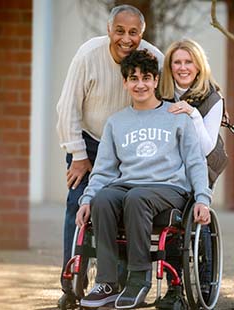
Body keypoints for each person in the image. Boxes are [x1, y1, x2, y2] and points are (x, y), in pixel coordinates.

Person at [75, 49, 212, 309]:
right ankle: (107, 282)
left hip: (168, 188)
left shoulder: (176, 116)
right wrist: (88, 199)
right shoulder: (116, 122)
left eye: (146, 78)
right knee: (104, 199)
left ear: (156, 80)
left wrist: (203, 199)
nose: (140, 84)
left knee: (136, 198)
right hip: (128, 186)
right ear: (125, 82)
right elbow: (103, 170)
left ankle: (138, 280)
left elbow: (195, 161)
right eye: (133, 79)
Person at [55, 5, 163, 308]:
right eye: (120, 31)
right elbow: (67, 109)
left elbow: (174, 100)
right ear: (109, 30)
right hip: (89, 141)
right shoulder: (88, 55)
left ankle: (119, 284)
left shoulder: (155, 58)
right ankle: (71, 284)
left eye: (133, 33)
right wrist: (78, 154)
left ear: (141, 35)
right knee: (78, 203)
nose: (126, 39)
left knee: (122, 209)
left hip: (130, 144)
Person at [156, 38, 225, 308]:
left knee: (195, 214)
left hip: (203, 162)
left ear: (198, 65)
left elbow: (207, 146)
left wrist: (192, 113)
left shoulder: (212, 97)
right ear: (170, 66)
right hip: (169, 164)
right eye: (177, 62)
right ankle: (172, 285)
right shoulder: (161, 92)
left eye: (188, 62)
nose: (183, 67)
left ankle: (205, 280)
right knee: (172, 221)